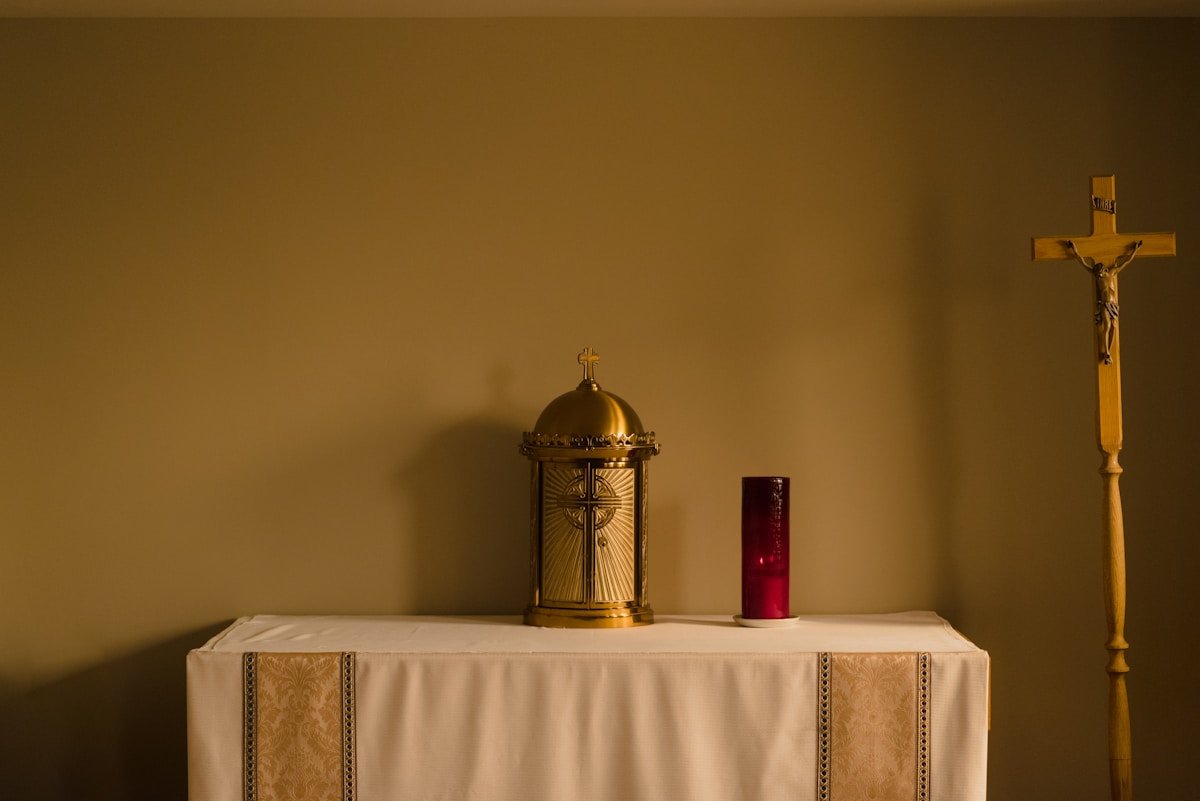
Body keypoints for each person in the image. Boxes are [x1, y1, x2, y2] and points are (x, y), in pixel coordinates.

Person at [1066, 239, 1143, 365]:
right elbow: (1082, 261)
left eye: (1100, 274)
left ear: (1105, 271)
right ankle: (1106, 351)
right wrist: (1073, 248)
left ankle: (1109, 352)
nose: (1099, 277)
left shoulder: (1113, 272)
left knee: (1114, 326)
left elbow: (1127, 261)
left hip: (1113, 305)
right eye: (1097, 275)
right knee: (1106, 326)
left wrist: (1135, 249)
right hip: (1105, 305)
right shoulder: (1096, 275)